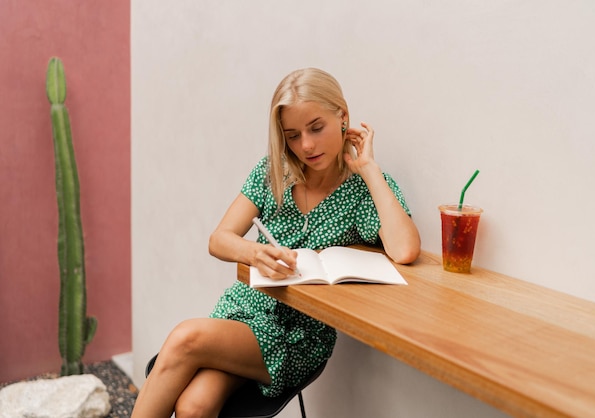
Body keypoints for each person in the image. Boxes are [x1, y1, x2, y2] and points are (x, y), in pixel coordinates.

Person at [130, 68, 421, 418]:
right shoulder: (275, 171)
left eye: (316, 128)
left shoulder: (362, 189)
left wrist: (369, 167)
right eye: (293, 135)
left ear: (343, 115)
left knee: (184, 338)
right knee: (195, 406)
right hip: (242, 313)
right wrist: (256, 253)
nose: (306, 146)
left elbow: (404, 250)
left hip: (297, 334)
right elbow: (219, 239)